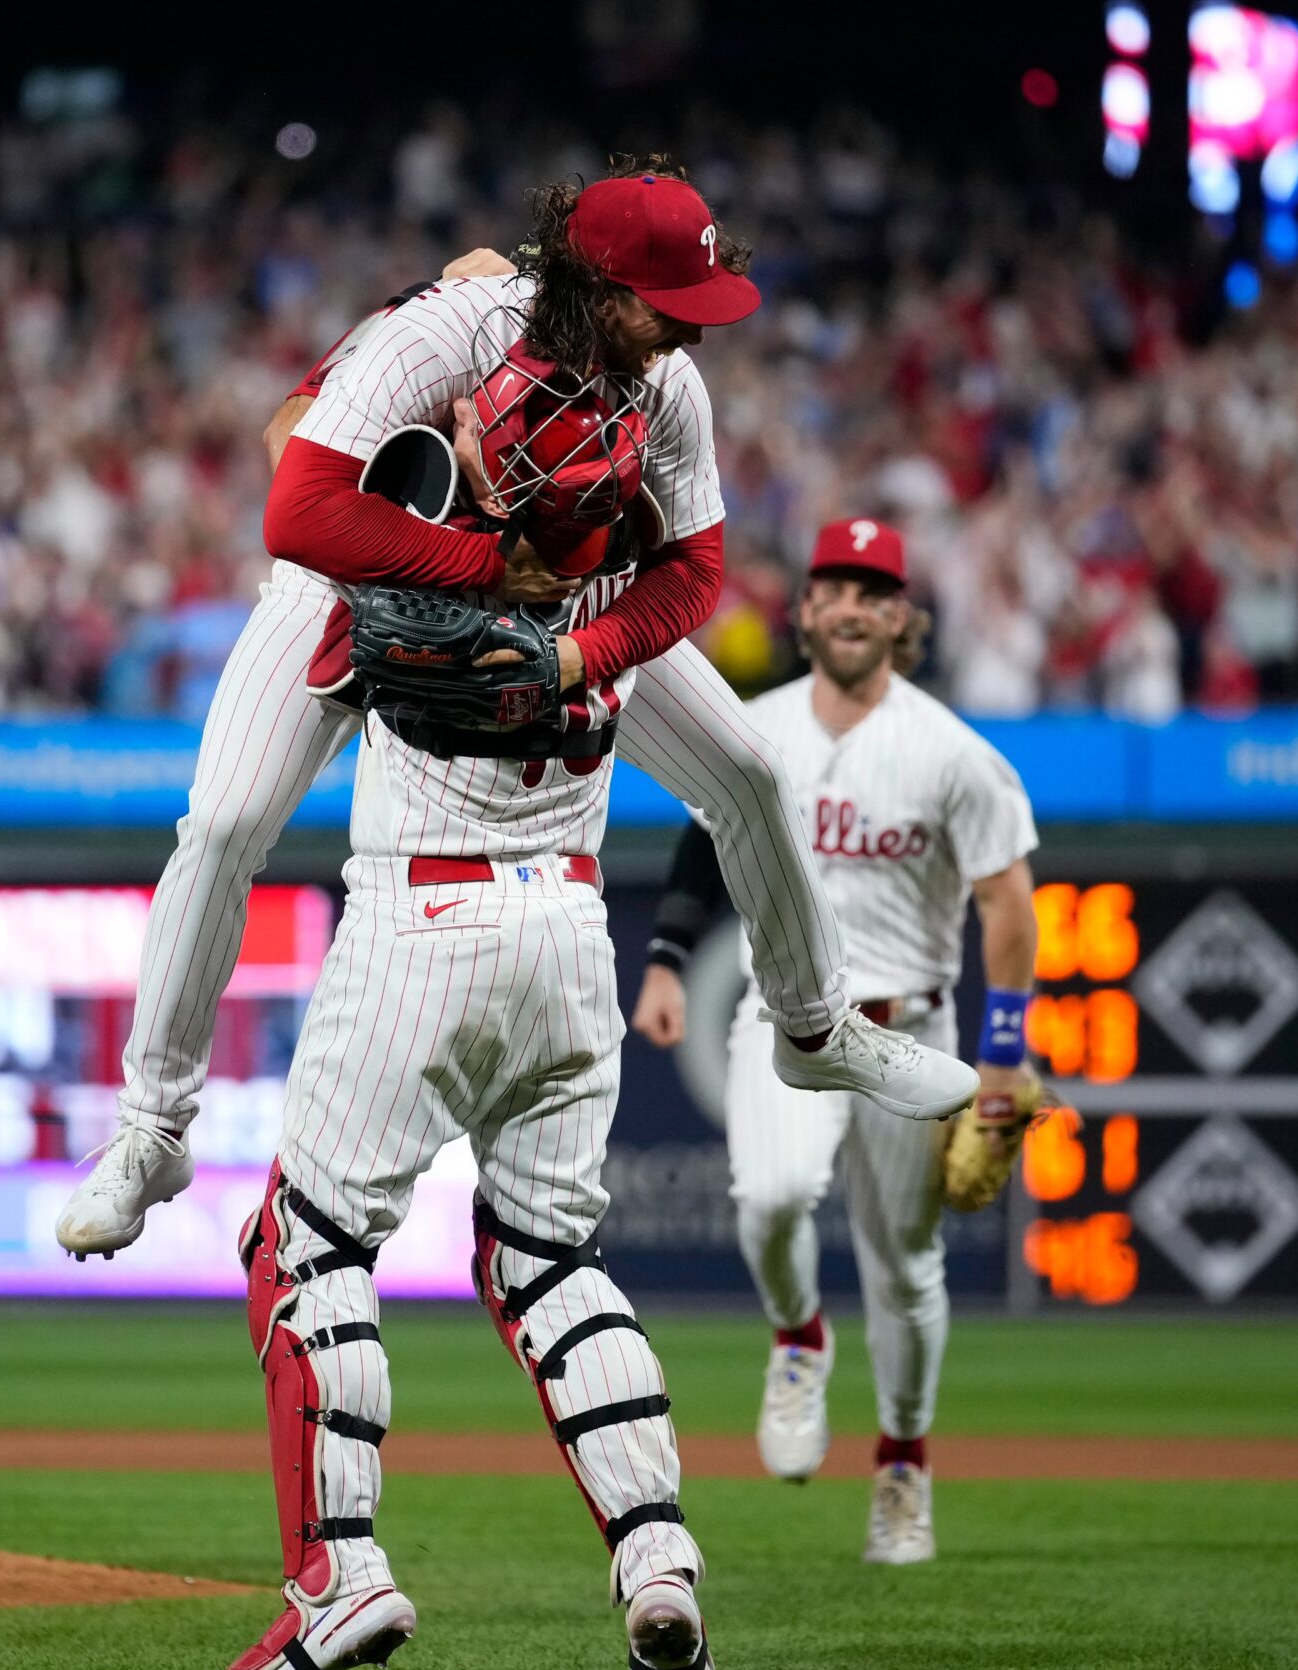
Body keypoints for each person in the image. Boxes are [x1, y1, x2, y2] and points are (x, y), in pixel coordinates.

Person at [56, 161, 975, 1261]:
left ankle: (816, 1025)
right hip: (358, 580)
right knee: (220, 823)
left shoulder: (667, 382)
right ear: (594, 286)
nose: (687, 332)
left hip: (554, 596)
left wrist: (588, 650)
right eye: (663, 306)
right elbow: (295, 501)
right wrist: (483, 562)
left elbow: (692, 575)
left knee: (750, 771)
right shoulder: (451, 327)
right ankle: (153, 1128)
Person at [211, 330, 732, 1670]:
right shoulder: (629, 568)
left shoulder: (423, 541)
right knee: (552, 1261)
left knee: (306, 1240)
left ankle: (342, 1574)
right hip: (571, 921)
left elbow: (306, 480)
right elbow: (679, 563)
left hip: (421, 913)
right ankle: (658, 1555)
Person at [632, 517, 1040, 1565]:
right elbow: (699, 833)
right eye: (834, 587)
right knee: (770, 1201)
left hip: (914, 1027)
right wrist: (669, 959)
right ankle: (799, 1335)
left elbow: (1007, 900)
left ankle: (902, 1466)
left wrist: (1000, 1051)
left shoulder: (954, 750)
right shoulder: (755, 724)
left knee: (906, 1268)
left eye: (874, 589)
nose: (853, 604)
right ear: (804, 610)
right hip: (786, 1019)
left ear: (902, 616)